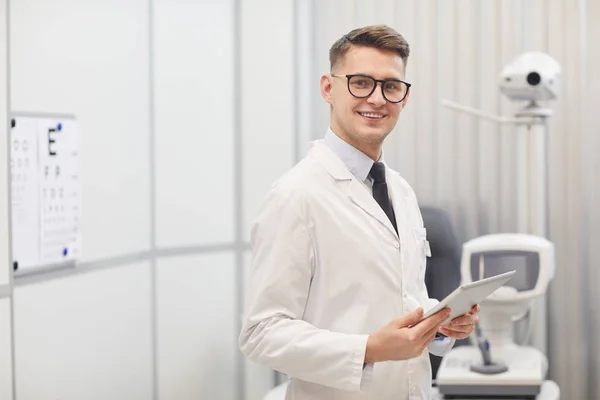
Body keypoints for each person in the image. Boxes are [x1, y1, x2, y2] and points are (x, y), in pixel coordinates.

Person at [238, 24, 480, 399]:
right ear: (328, 88)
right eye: (361, 82)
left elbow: (400, 298)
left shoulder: (399, 190)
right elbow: (261, 334)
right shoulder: (295, 195)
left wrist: (439, 322)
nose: (377, 98)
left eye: (391, 86)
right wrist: (368, 349)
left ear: (404, 97)